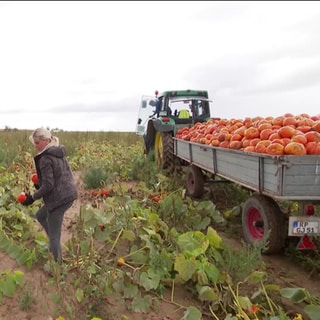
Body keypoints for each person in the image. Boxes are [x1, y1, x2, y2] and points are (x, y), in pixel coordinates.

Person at [21, 128, 78, 263]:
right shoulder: (58, 151)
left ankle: (59, 267)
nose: (35, 146)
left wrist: (32, 197)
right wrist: (39, 184)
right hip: (68, 193)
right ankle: (54, 246)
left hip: (59, 199)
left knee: (54, 236)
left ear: (46, 140)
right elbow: (56, 177)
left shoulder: (45, 158)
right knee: (40, 215)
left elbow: (49, 185)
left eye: (37, 143)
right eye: (34, 143)